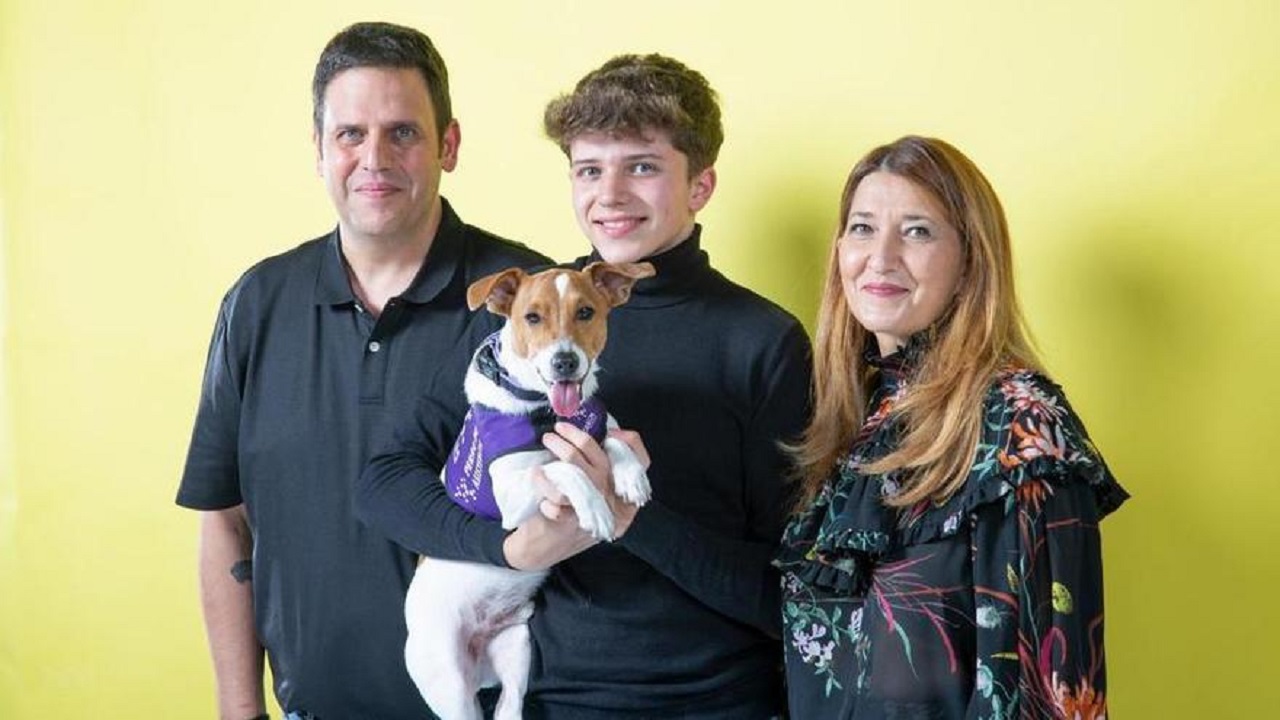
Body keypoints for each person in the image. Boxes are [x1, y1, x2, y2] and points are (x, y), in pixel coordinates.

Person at [358, 54, 812, 718]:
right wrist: (509, 547)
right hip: (550, 697)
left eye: (643, 167)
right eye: (589, 170)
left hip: (718, 703)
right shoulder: (532, 313)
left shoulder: (763, 341)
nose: (611, 195)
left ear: (701, 185)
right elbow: (382, 484)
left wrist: (630, 518)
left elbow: (790, 594)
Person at [176, 21, 549, 720]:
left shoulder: (524, 305)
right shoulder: (257, 303)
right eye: (350, 134)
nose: (374, 158)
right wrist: (238, 710)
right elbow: (225, 520)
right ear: (318, 149)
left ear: (449, 144)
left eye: (403, 132)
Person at [775, 135, 1129, 718]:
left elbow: (1055, 694)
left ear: (971, 262)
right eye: (863, 228)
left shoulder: (1019, 426)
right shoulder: (853, 419)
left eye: (917, 231)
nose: (881, 257)